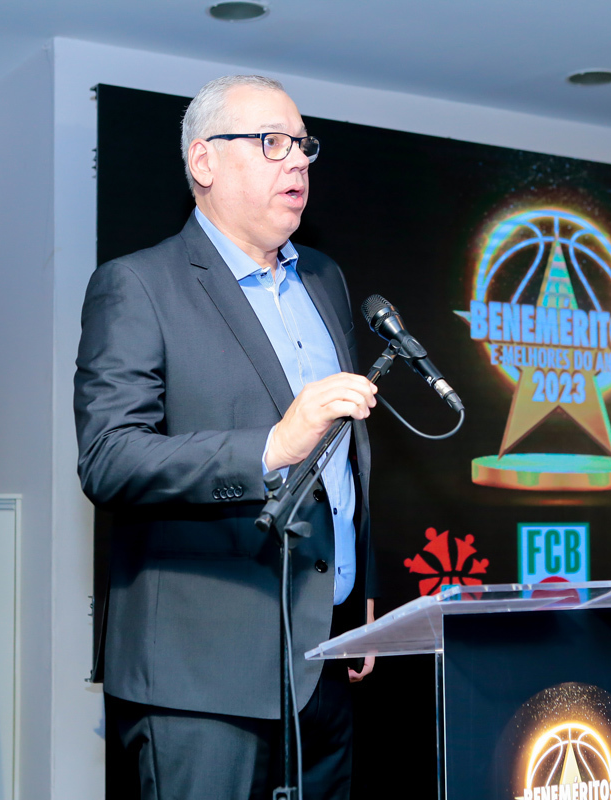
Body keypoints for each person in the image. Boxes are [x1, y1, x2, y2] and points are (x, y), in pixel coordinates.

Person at [74, 75, 378, 800]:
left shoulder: (324, 279)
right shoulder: (138, 285)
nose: (297, 160)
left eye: (302, 144)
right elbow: (109, 458)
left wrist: (360, 587)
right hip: (200, 678)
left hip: (325, 659)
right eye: (272, 143)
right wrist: (270, 447)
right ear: (203, 160)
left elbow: (345, 462)